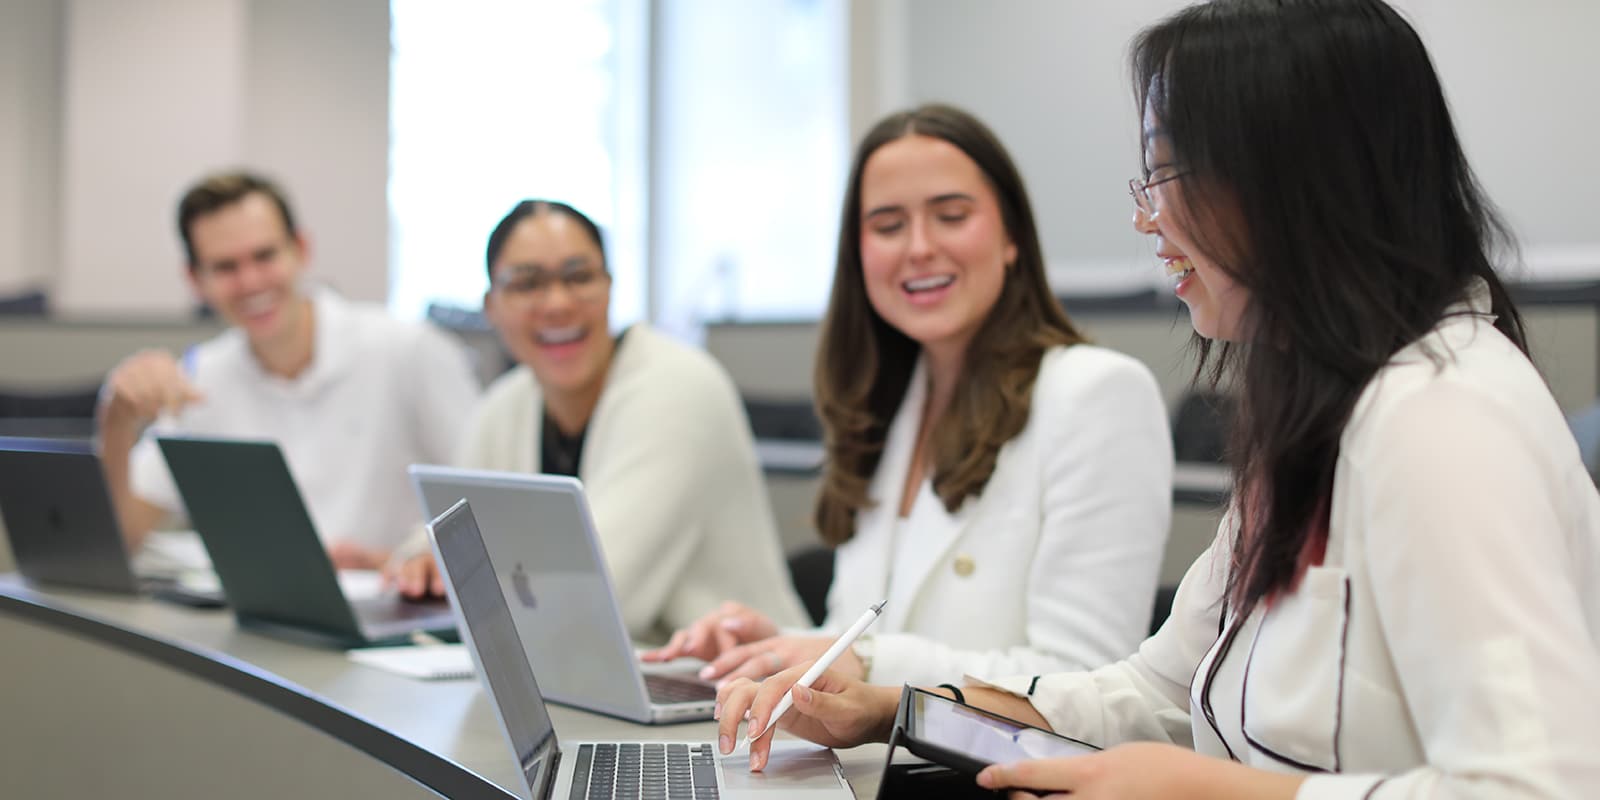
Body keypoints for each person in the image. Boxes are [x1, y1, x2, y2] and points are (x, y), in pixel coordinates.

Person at [717, 0, 1600, 794]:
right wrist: (889, 710)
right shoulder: (1322, 409)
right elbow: (1152, 694)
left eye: (1166, 174)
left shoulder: (1441, 418)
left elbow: (1539, 788)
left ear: (1292, 181)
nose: (1145, 218)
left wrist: (1210, 793)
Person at [644, 104, 1173, 689]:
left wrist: (862, 661)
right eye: (888, 225)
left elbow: (1086, 685)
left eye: (951, 215)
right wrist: (776, 647)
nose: (918, 247)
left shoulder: (1098, 395)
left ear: (1011, 236)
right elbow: (859, 630)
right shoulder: (886, 406)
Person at [387, 200, 808, 641]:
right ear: (492, 307)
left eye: (579, 277)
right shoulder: (504, 407)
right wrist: (422, 561)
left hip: (741, 687)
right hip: (597, 677)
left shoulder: (679, 388)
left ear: (609, 287)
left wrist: (465, 572)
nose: (557, 303)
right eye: (527, 283)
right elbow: (444, 533)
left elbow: (596, 596)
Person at [97, 171, 479, 568]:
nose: (250, 281)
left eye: (265, 256)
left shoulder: (408, 350)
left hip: (397, 610)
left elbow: (485, 504)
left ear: (301, 249)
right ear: (196, 280)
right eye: (226, 267)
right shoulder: (202, 377)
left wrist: (407, 557)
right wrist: (116, 422)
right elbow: (121, 536)